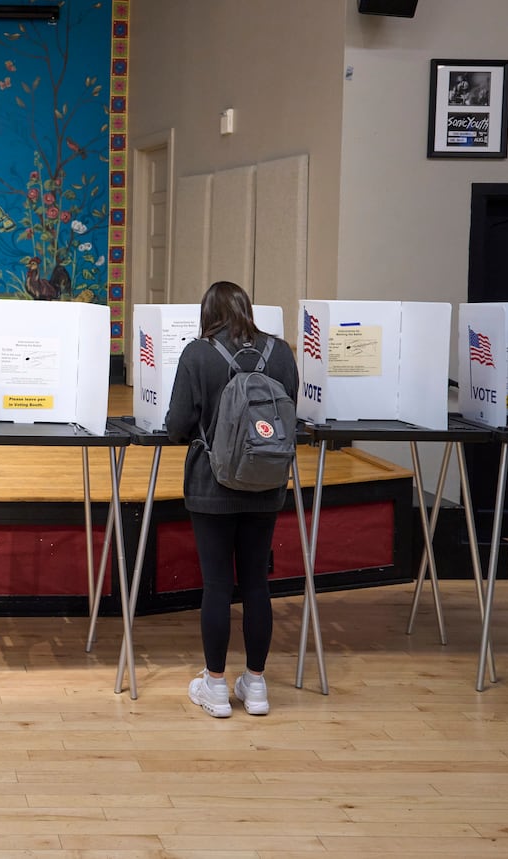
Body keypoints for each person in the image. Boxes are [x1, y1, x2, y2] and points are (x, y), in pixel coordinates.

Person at [163, 281, 299, 718]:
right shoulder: (280, 352)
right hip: (266, 483)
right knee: (257, 583)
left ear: (208, 313)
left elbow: (177, 424)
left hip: (212, 485)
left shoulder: (197, 353)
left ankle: (216, 687)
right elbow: (289, 410)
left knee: (218, 585)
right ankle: (256, 686)